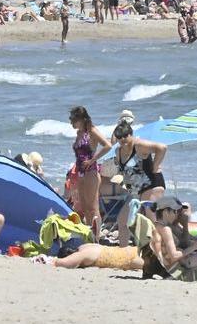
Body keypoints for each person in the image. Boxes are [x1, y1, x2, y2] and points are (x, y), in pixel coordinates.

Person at [112, 121, 167, 247]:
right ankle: (123, 250)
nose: (123, 139)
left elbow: (162, 148)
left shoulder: (139, 145)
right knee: (122, 220)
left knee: (151, 218)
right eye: (119, 137)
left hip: (152, 184)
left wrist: (156, 165)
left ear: (131, 134)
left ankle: (161, 248)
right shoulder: (118, 152)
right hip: (136, 190)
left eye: (125, 136)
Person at [68, 106, 110, 239]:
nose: (72, 122)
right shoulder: (79, 133)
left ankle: (96, 238)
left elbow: (107, 145)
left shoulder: (92, 131)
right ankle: (90, 236)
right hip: (80, 173)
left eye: (74, 119)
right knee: (84, 207)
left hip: (91, 172)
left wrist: (93, 160)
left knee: (93, 207)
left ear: (82, 119)